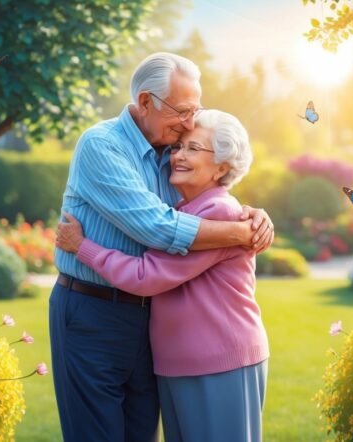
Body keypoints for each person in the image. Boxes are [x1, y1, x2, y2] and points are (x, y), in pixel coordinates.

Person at [49, 52, 274, 442]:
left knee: (142, 434)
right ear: (146, 103)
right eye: (182, 111)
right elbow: (156, 227)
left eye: (195, 112)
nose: (189, 124)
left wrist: (252, 215)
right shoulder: (102, 146)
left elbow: (209, 196)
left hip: (148, 318)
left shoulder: (167, 155)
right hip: (93, 312)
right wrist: (237, 233)